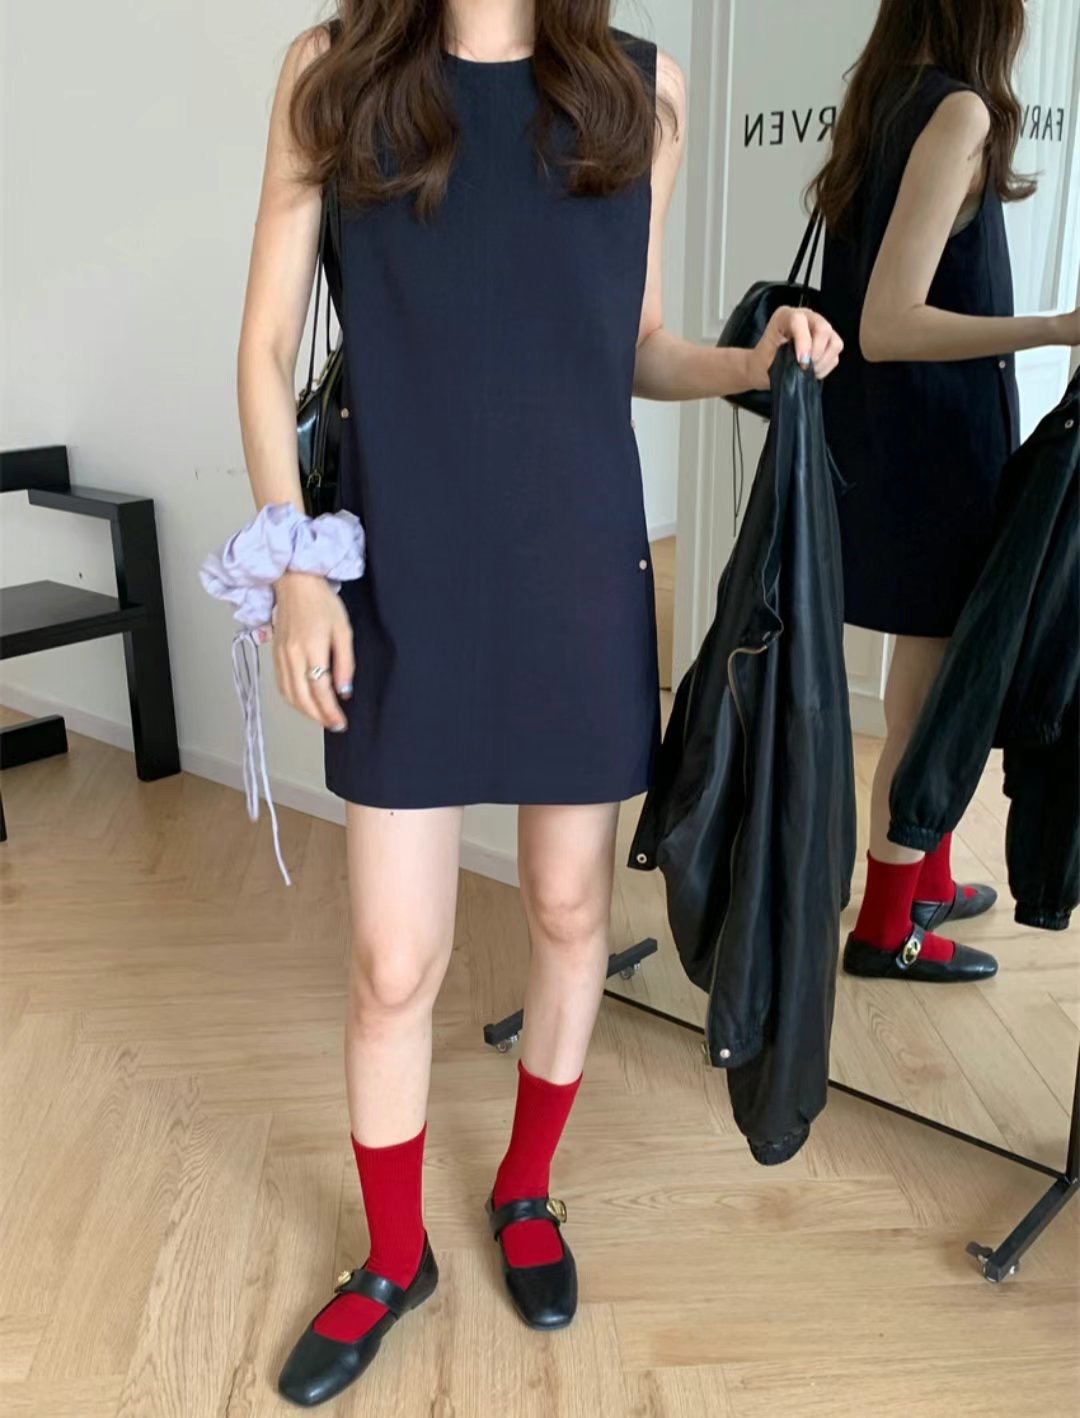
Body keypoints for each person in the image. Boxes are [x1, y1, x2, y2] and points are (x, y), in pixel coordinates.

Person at [238, 0, 841, 1406]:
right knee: (394, 960)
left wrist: (746, 361)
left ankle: (525, 1186)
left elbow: (635, 341)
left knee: (571, 910)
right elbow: (265, 351)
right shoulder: (333, 71)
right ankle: (395, 1256)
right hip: (398, 579)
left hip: (577, 572)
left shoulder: (644, 91)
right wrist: (295, 565)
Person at [813, 0, 1080, 985]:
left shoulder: (884, 95)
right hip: (932, 455)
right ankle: (888, 928)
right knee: (929, 706)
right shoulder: (956, 110)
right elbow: (889, 323)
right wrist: (1055, 327)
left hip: (901, 446)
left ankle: (923, 878)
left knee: (926, 684)